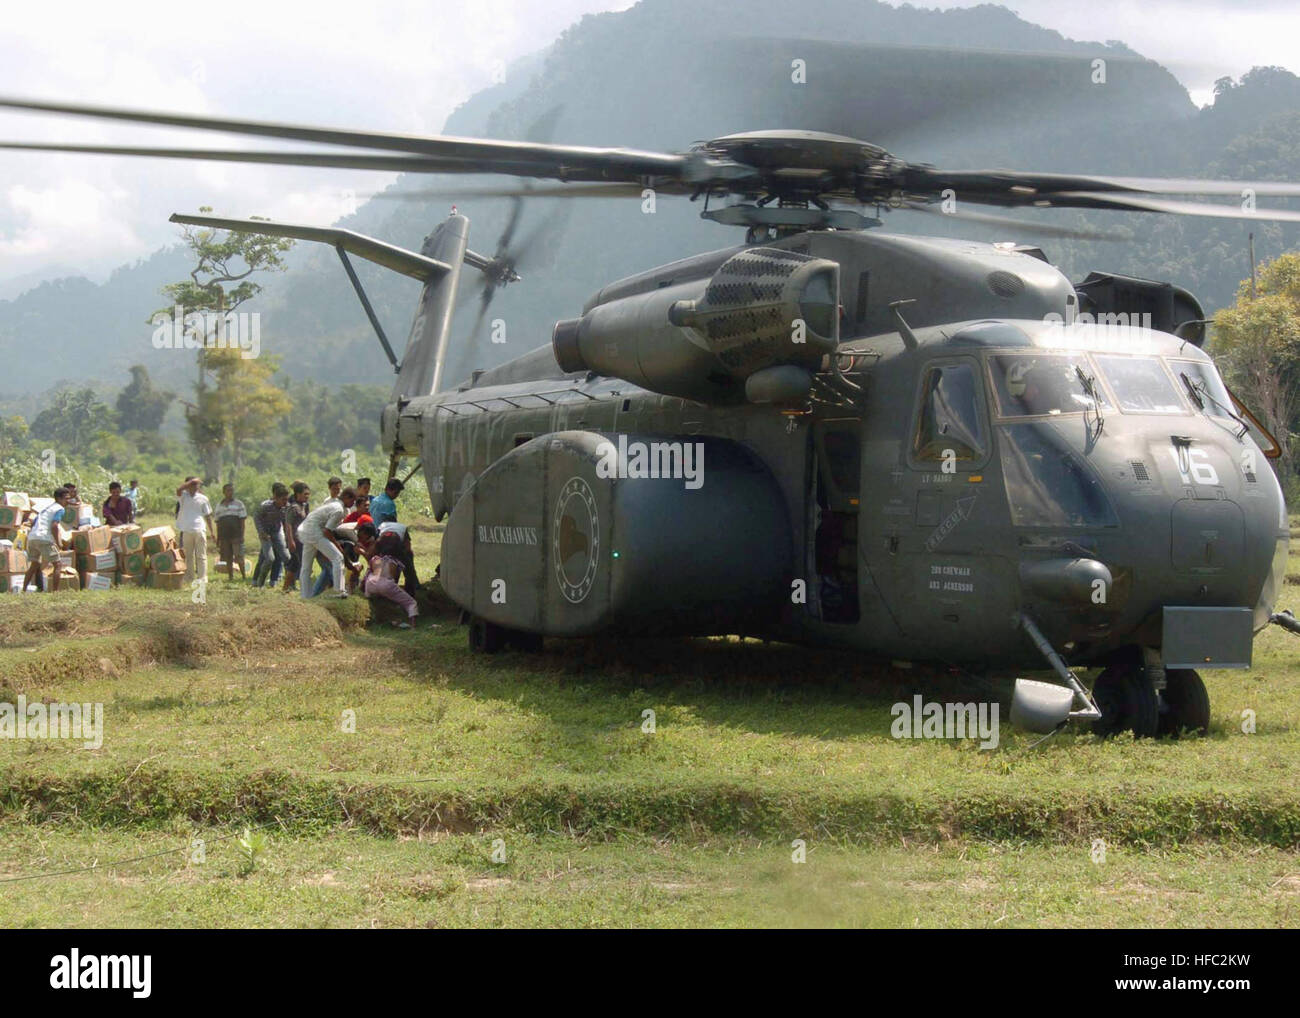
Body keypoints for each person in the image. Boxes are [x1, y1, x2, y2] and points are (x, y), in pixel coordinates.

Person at [297, 485, 358, 599]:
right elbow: (327, 531)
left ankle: (305, 597)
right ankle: (339, 591)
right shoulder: (338, 509)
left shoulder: (335, 505)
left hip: (305, 530)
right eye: (352, 500)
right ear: (345, 497)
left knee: (306, 567)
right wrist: (339, 548)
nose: (352, 504)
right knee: (338, 557)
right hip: (314, 532)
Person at [357, 522, 418, 628]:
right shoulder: (397, 561)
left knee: (373, 595)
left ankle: (372, 616)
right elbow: (395, 578)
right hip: (386, 585)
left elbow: (367, 574)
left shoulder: (375, 559)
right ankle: (413, 625)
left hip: (370, 584)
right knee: (411, 603)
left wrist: (362, 589)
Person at [22, 486, 71, 593]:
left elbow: (34, 522)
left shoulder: (47, 509)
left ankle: (23, 590)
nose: (68, 501)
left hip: (32, 538)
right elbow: (54, 526)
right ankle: (55, 592)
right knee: (58, 565)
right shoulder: (60, 509)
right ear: (58, 499)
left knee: (34, 565)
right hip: (44, 538)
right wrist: (58, 542)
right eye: (66, 498)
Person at [174, 476, 216, 583]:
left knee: (201, 555)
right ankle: (189, 577)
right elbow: (178, 490)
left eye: (195, 485)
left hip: (200, 529)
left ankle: (202, 578)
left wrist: (212, 532)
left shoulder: (203, 498)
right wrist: (191, 482)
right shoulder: (183, 496)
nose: (193, 486)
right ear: (187, 486)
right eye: (191, 485)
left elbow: (207, 516)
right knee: (188, 556)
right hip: (187, 529)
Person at [252, 483, 291, 588]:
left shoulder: (286, 507)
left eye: (286, 499)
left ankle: (289, 584)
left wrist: (288, 538)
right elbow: (256, 517)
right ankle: (260, 583)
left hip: (277, 532)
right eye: (283, 499)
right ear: (276, 499)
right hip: (265, 533)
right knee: (269, 558)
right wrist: (261, 532)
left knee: (287, 557)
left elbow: (286, 522)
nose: (285, 502)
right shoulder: (266, 506)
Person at [213, 482, 248, 580]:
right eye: (228, 490)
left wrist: (242, 535)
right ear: (224, 492)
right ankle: (230, 576)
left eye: (232, 490)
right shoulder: (219, 506)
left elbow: (242, 520)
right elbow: (217, 522)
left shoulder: (239, 504)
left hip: (236, 534)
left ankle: (244, 576)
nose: (230, 492)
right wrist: (218, 538)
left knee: (239, 556)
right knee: (228, 557)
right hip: (224, 535)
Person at [281, 481, 310, 592]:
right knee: (295, 563)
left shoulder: (305, 505)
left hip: (302, 538)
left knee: (299, 563)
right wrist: (291, 541)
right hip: (294, 539)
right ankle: (286, 587)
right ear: (297, 494)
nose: (307, 496)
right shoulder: (292, 508)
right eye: (305, 494)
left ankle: (291, 586)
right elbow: (288, 525)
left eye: (308, 494)